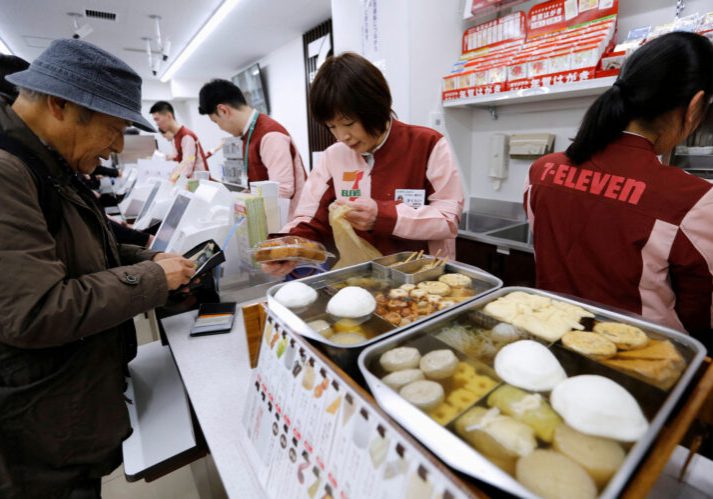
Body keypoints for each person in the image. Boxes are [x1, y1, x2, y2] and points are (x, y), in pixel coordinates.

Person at [0, 39, 196, 497]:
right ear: (60, 106)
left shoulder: (44, 162)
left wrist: (150, 261)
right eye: (112, 130)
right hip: (37, 436)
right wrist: (150, 279)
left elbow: (78, 253)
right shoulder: (9, 173)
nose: (114, 149)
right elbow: (36, 310)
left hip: (61, 411)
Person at [524, 32, 713, 347]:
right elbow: (700, 313)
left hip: (553, 338)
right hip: (640, 357)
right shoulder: (693, 199)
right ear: (695, 107)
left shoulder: (542, 171)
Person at [264, 52, 464, 276]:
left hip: (423, 280)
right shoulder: (334, 157)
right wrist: (287, 246)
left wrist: (383, 216)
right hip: (364, 281)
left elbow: (448, 221)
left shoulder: (427, 144)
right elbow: (310, 218)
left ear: (376, 107)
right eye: (332, 127)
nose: (342, 136)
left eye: (348, 123)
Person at [198, 79, 307, 219]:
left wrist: (240, 202)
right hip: (272, 217)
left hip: (290, 221)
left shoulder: (269, 134)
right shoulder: (249, 133)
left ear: (223, 110)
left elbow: (282, 190)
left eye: (216, 122)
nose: (220, 128)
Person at [150, 100, 209, 181]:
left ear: (169, 116)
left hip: (200, 183)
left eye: (157, 119)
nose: (157, 124)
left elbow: (187, 165)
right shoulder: (175, 138)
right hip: (189, 182)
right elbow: (179, 163)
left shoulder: (186, 136)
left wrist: (172, 179)